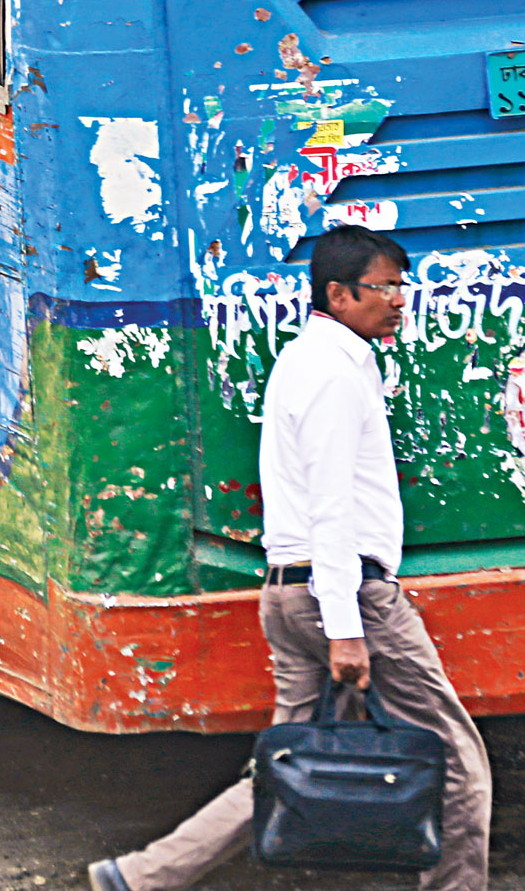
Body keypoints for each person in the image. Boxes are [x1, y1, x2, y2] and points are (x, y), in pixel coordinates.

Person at [89, 226, 491, 891]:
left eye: (400, 285)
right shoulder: (332, 375)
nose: (398, 300)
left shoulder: (314, 361)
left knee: (285, 764)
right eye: (383, 287)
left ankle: (139, 877)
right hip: (345, 592)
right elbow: (332, 509)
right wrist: (346, 629)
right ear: (337, 293)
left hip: (290, 591)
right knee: (456, 763)